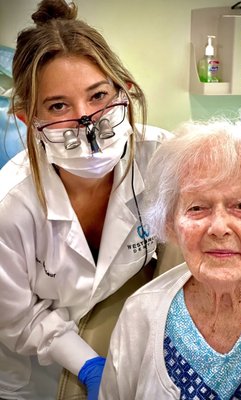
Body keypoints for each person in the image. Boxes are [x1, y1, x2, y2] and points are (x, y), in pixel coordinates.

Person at [0, 0, 175, 399]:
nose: (87, 121)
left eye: (98, 96)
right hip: (32, 374)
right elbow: (19, 318)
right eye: (59, 106)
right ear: (32, 120)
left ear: (123, 92)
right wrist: (88, 365)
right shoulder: (9, 206)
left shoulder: (162, 158)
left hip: (119, 338)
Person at [100, 108, 241, 400]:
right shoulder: (139, 315)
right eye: (197, 208)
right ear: (170, 224)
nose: (219, 227)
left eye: (240, 206)